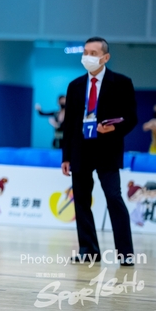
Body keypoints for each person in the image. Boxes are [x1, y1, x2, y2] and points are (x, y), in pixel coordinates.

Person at [61, 36, 137, 266]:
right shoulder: (75, 86)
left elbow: (131, 118)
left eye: (93, 53)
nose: (88, 57)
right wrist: (66, 156)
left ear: (105, 57)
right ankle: (88, 250)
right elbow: (69, 124)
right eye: (85, 52)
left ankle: (125, 252)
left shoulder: (121, 83)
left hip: (107, 149)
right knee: (81, 201)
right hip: (80, 149)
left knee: (114, 197)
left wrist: (114, 129)